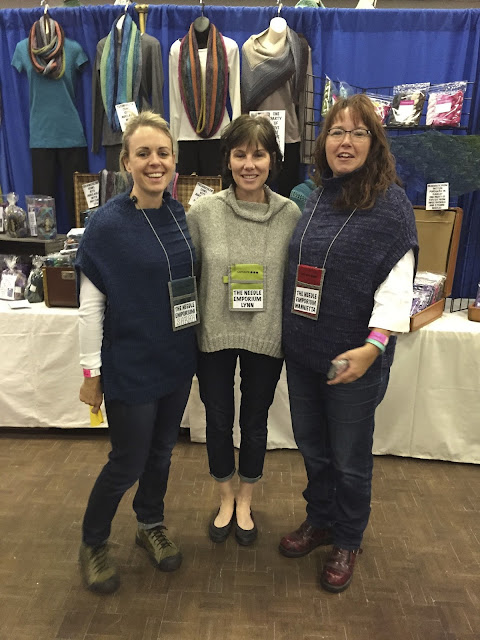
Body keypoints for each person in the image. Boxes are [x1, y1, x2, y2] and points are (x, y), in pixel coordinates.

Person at [280, 94, 418, 592]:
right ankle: (320, 520)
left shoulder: (392, 207)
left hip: (354, 359)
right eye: (337, 132)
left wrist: (372, 347)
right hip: (304, 352)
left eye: (358, 133)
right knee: (313, 448)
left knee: (349, 459)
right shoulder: (317, 196)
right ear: (324, 142)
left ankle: (348, 538)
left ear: (374, 143)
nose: (346, 142)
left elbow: (397, 286)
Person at [76, 111, 197, 594]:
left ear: (174, 161)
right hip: (130, 366)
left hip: (175, 360)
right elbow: (90, 308)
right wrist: (91, 374)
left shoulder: (178, 215)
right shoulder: (105, 225)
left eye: (163, 153)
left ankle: (150, 523)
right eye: (143, 153)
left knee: (162, 453)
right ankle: (93, 542)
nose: (154, 162)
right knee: (127, 461)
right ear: (126, 162)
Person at [187, 115, 301, 546]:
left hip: (266, 336)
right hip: (213, 336)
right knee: (218, 421)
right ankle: (225, 498)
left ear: (273, 160)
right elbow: (190, 273)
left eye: (259, 154)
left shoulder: (290, 215)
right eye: (240, 155)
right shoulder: (203, 213)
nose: (249, 164)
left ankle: (246, 500)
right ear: (228, 160)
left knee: (254, 422)